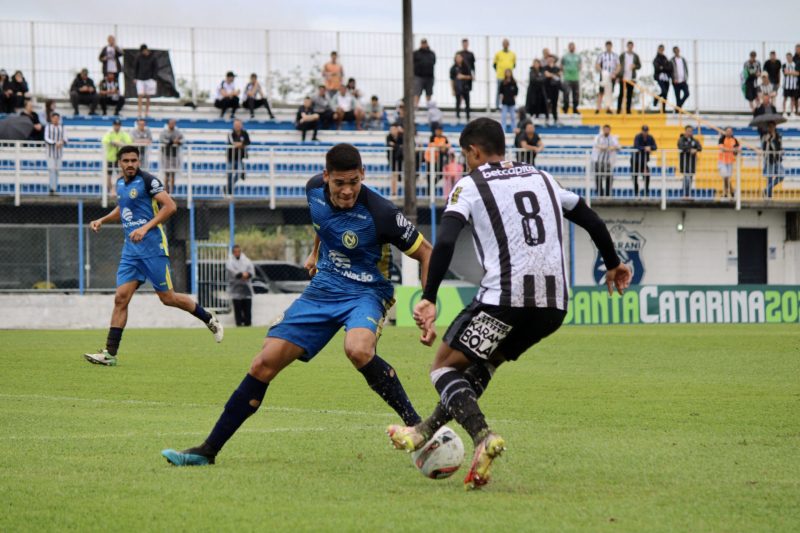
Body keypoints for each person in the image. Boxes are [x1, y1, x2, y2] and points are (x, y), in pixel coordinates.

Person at [385, 117, 631, 490]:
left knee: (442, 368)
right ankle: (423, 432)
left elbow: (446, 241)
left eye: (465, 155)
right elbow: (590, 218)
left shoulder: (470, 184)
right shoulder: (543, 178)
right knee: (485, 362)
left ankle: (483, 435)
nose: (466, 162)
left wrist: (430, 297)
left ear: (474, 151)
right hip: (553, 307)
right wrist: (613, 263)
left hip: (505, 300)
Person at [160, 143, 433, 467]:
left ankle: (417, 424)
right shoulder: (312, 190)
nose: (347, 191)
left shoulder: (382, 213)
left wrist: (428, 301)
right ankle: (208, 450)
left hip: (368, 291)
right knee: (264, 363)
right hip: (325, 286)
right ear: (326, 176)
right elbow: (323, 223)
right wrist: (317, 252)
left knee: (358, 349)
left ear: (363, 175)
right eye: (339, 183)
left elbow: (426, 252)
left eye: (353, 183)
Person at [83, 145, 223, 366]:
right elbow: (122, 209)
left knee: (168, 298)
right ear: (119, 163)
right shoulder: (119, 184)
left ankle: (208, 318)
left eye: (134, 160)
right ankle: (110, 354)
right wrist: (102, 219)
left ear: (138, 162)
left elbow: (170, 206)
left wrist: (145, 228)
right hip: (131, 252)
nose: (130, 164)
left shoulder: (148, 181)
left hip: (153, 249)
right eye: (126, 161)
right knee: (121, 298)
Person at [227, 244, 255, 327]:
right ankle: (238, 324)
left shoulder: (247, 261)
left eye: (238, 251)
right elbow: (232, 272)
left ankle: (248, 324)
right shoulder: (230, 261)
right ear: (233, 252)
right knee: (237, 309)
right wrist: (242, 275)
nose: (237, 253)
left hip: (246, 288)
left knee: (247, 309)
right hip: (235, 288)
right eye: (235, 252)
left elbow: (252, 272)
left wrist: (247, 275)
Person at [102, 119, 132, 195]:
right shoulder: (110, 133)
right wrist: (113, 142)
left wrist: (121, 144)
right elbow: (104, 140)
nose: (117, 127)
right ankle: (110, 190)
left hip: (119, 157)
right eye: (116, 125)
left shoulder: (123, 134)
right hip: (110, 157)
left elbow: (129, 141)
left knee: (121, 174)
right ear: (113, 125)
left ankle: (116, 189)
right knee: (109, 175)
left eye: (118, 125)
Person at [591, 124, 619, 196]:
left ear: (609, 130)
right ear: (603, 130)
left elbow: (618, 146)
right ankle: (600, 193)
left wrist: (610, 148)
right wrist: (602, 147)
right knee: (598, 177)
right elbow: (595, 144)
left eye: (607, 129)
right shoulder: (598, 137)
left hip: (608, 162)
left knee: (609, 178)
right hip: (599, 161)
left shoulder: (612, 137)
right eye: (605, 129)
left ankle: (608, 194)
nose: (606, 131)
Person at [44, 112, 67, 195]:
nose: (56, 120)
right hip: (50, 153)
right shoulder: (48, 127)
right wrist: (55, 143)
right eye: (54, 118)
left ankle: (55, 188)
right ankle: (52, 188)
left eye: (57, 118)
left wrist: (61, 142)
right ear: (52, 119)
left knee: (57, 170)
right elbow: (46, 138)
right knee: (51, 170)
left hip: (59, 153)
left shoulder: (62, 127)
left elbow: (66, 138)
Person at [631, 125, 657, 197]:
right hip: (635, 161)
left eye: (646, 131)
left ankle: (646, 191)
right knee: (634, 177)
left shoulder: (650, 137)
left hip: (644, 162)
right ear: (641, 131)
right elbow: (636, 146)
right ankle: (636, 191)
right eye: (644, 131)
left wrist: (650, 147)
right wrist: (645, 148)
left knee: (647, 176)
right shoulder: (638, 137)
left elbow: (655, 147)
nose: (645, 132)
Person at [226, 119, 250, 195]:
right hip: (231, 157)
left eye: (239, 125)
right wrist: (242, 144)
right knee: (229, 174)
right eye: (236, 125)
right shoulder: (230, 133)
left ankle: (229, 187)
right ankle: (229, 190)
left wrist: (240, 144)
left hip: (240, 158)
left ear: (241, 125)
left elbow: (248, 142)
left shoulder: (244, 133)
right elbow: (232, 143)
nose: (237, 127)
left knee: (239, 173)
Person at [159, 119, 184, 193]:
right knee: (166, 174)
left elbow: (183, 140)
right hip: (166, 155)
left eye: (174, 123)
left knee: (173, 174)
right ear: (168, 124)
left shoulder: (178, 132)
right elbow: (162, 140)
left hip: (174, 156)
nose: (172, 125)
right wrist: (172, 142)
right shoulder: (164, 132)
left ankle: (171, 191)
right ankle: (166, 191)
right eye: (171, 123)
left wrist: (178, 141)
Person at [677, 125, 702, 198]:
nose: (689, 132)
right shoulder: (681, 139)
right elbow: (680, 146)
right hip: (684, 162)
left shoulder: (694, 140)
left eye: (691, 131)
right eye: (688, 131)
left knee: (690, 178)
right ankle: (685, 194)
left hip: (692, 162)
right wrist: (690, 150)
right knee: (686, 178)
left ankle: (687, 194)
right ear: (685, 131)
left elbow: (700, 148)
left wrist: (695, 150)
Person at [617, 41, 641, 115]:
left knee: (630, 95)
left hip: (631, 78)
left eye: (631, 46)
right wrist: (618, 76)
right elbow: (618, 65)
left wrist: (635, 66)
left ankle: (628, 110)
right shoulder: (622, 55)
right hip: (623, 78)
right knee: (621, 94)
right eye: (629, 46)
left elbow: (639, 66)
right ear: (627, 46)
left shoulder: (636, 56)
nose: (630, 47)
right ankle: (618, 110)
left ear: (632, 46)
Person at [134, 44, 157, 118]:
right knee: (140, 95)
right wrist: (135, 77)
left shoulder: (153, 58)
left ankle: (146, 112)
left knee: (148, 96)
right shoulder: (139, 57)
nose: (143, 52)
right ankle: (139, 112)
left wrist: (153, 78)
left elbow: (155, 68)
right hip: (140, 78)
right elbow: (136, 68)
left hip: (149, 79)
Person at [595, 41, 619, 114]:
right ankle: (598, 108)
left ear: (611, 46)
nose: (609, 47)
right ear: (606, 46)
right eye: (607, 46)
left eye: (610, 46)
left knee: (610, 92)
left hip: (612, 76)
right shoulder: (602, 55)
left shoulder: (615, 55)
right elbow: (597, 64)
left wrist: (615, 73)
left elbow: (618, 65)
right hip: (604, 75)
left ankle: (608, 108)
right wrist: (602, 72)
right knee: (601, 91)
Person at [762, 121, 783, 198]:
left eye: (772, 126)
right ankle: (769, 196)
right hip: (769, 159)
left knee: (781, 176)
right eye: (769, 126)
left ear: (775, 126)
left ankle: (766, 190)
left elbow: (780, 147)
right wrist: (767, 141)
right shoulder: (766, 136)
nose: (771, 128)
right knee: (769, 178)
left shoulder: (778, 135)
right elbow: (764, 148)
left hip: (777, 159)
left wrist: (782, 151)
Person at [493, 39, 516, 111]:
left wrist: (509, 73)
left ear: (508, 44)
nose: (505, 45)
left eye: (507, 43)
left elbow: (514, 64)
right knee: (499, 91)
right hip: (500, 76)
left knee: (510, 91)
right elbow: (494, 64)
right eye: (504, 43)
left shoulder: (512, 54)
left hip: (509, 77)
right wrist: (500, 71)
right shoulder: (498, 53)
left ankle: (510, 106)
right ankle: (497, 106)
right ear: (502, 45)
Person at [413, 39, 436, 108]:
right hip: (418, 76)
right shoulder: (416, 53)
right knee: (417, 92)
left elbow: (434, 62)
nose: (424, 45)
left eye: (425, 43)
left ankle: (429, 107)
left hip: (429, 77)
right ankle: (415, 107)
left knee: (428, 93)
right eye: (422, 43)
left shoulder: (431, 53)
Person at [718, 127, 740, 198]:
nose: (729, 132)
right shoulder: (722, 139)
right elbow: (722, 148)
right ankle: (731, 191)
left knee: (727, 178)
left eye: (730, 131)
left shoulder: (734, 140)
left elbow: (738, 149)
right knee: (726, 176)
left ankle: (726, 193)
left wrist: (733, 150)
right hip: (722, 160)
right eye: (727, 131)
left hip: (730, 161)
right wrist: (732, 150)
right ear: (725, 132)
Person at [450, 52, 472, 122]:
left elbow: (471, 77)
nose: (458, 59)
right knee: (458, 102)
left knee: (467, 102)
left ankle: (468, 117)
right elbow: (452, 80)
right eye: (457, 58)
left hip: (465, 87)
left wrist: (463, 76)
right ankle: (458, 116)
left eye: (459, 57)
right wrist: (452, 90)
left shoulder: (466, 67)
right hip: (458, 88)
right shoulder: (453, 68)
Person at [560, 42, 581, 115]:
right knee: (566, 93)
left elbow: (580, 65)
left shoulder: (578, 56)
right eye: (570, 46)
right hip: (567, 78)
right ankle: (565, 108)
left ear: (575, 47)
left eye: (573, 46)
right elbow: (561, 65)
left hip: (575, 78)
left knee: (576, 94)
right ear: (568, 47)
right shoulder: (565, 56)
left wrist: (578, 68)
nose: (572, 48)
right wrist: (564, 72)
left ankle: (575, 108)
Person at [542, 55, 561, 125]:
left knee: (555, 104)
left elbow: (558, 77)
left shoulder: (557, 68)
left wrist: (551, 75)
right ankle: (547, 119)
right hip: (547, 88)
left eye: (551, 59)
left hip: (555, 88)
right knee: (547, 104)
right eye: (548, 59)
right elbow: (546, 75)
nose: (550, 60)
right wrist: (554, 75)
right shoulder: (544, 68)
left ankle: (555, 119)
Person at [653, 45, 672, 112]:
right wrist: (665, 67)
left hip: (666, 77)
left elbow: (670, 68)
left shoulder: (665, 58)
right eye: (660, 49)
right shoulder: (656, 59)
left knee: (666, 94)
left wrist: (663, 67)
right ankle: (656, 98)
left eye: (662, 49)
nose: (661, 50)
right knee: (664, 91)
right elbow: (657, 68)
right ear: (658, 49)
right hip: (660, 77)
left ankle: (663, 109)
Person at [386, 125, 403, 197]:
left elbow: (402, 145)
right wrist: (398, 147)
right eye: (391, 129)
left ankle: (396, 192)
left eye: (393, 129)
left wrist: (395, 146)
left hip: (400, 158)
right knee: (394, 174)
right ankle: (394, 192)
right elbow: (389, 144)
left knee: (397, 173)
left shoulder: (401, 136)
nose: (392, 131)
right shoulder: (388, 136)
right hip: (392, 157)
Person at [499, 69, 518, 133]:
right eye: (507, 73)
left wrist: (514, 97)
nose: (508, 74)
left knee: (513, 116)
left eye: (509, 72)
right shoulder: (503, 82)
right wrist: (501, 98)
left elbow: (516, 91)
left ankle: (514, 128)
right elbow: (501, 91)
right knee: (503, 116)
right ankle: (503, 129)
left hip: (512, 102)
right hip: (505, 101)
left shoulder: (514, 82)